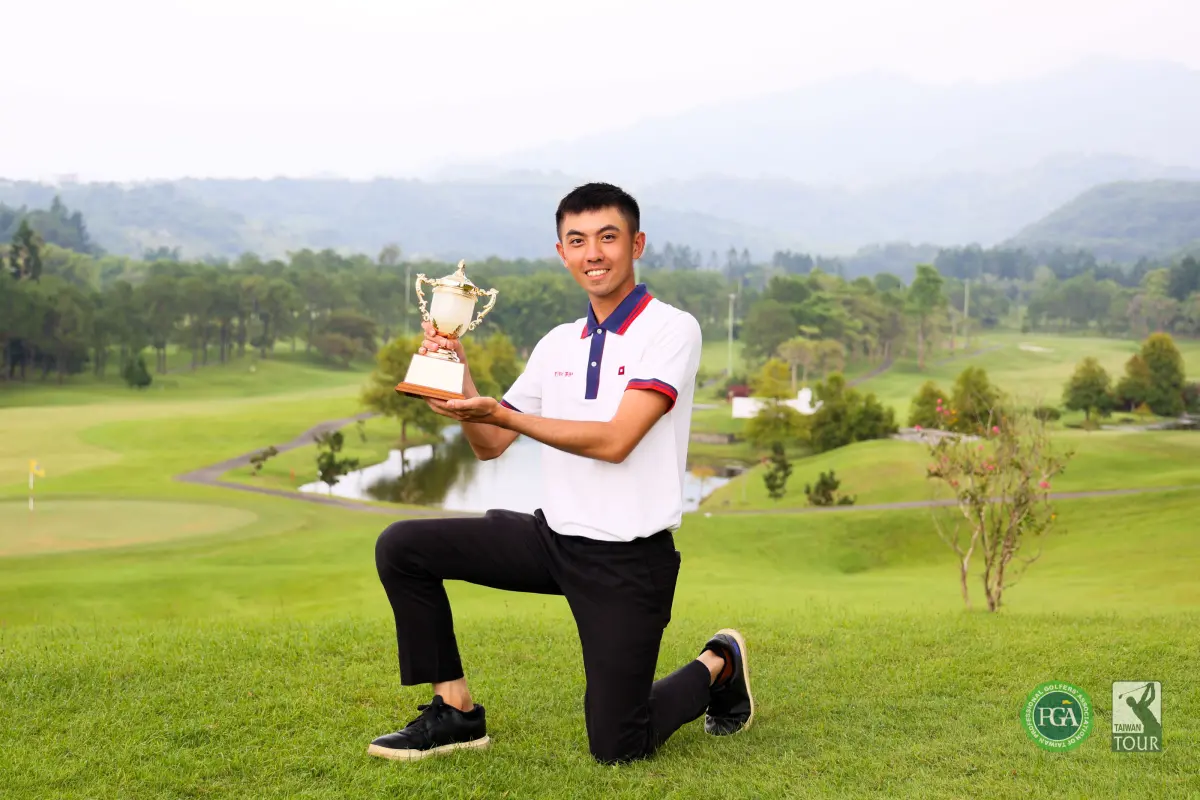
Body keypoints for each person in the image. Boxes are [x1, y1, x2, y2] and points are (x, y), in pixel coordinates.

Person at [368, 182, 754, 765]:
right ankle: (455, 712)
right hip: (552, 540)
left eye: (607, 237)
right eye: (577, 240)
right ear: (561, 252)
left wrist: (501, 413)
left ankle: (718, 663)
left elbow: (617, 441)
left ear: (636, 244)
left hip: (629, 561)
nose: (592, 253)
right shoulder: (558, 344)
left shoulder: (673, 330)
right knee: (403, 547)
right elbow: (490, 444)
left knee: (618, 746)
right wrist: (458, 381)